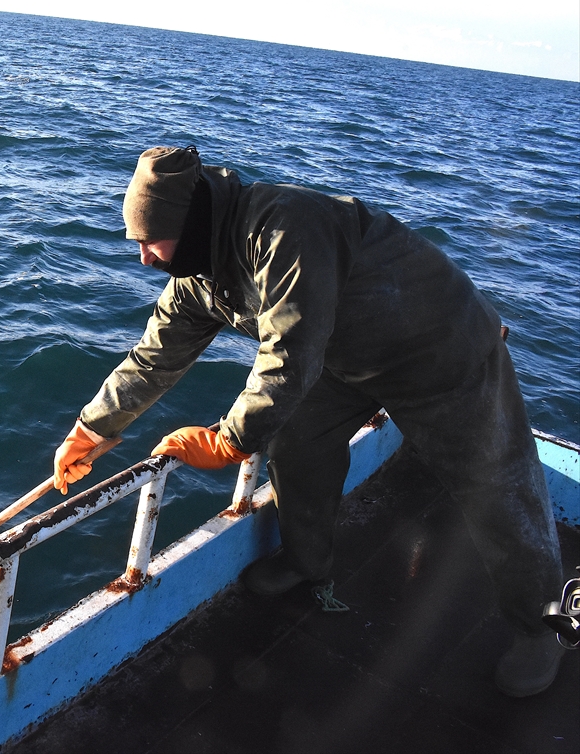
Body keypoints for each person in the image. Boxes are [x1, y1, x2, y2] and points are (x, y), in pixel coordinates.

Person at [52, 146, 565, 697]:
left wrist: (228, 441)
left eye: (151, 241)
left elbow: (289, 355)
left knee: (496, 484)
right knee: (297, 442)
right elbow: (154, 358)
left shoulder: (285, 228)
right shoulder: (198, 272)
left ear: (190, 223)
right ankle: (306, 560)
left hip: (439, 351)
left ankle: (543, 626)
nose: (144, 258)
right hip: (343, 359)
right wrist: (92, 429)